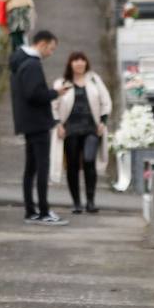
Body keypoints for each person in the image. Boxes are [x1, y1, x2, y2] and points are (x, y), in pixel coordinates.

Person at [10, 30, 68, 226]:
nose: (51, 53)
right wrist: (55, 93)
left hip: (28, 123)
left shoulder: (20, 60)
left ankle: (31, 210)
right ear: (42, 44)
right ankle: (43, 210)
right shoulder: (33, 64)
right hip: (38, 123)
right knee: (41, 168)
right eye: (51, 48)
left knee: (31, 169)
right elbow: (34, 94)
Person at [50, 51, 113, 215]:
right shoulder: (63, 83)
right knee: (72, 165)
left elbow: (106, 101)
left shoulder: (94, 80)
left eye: (82, 60)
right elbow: (53, 105)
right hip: (70, 129)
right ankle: (77, 202)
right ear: (70, 64)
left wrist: (103, 122)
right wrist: (58, 124)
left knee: (89, 160)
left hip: (91, 128)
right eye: (75, 60)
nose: (79, 63)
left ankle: (90, 201)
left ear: (86, 63)